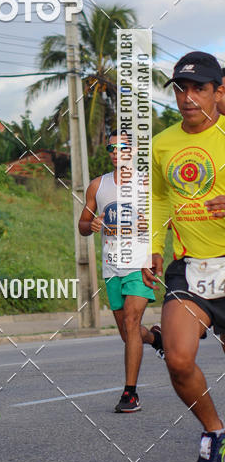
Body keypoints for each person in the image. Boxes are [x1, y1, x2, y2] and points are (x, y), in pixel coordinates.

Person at [142, 51, 225, 462]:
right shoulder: (162, 143)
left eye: (199, 88)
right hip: (189, 266)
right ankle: (214, 430)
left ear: (218, 92)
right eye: (180, 88)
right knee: (176, 358)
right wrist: (154, 246)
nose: (188, 97)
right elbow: (157, 199)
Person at [79, 133, 163, 413]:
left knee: (131, 320)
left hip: (139, 264)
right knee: (129, 334)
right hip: (111, 265)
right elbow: (82, 223)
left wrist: (149, 229)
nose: (115, 152)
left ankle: (130, 393)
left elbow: (163, 217)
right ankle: (155, 338)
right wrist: (90, 225)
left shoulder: (146, 183)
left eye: (122, 148)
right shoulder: (98, 185)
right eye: (111, 148)